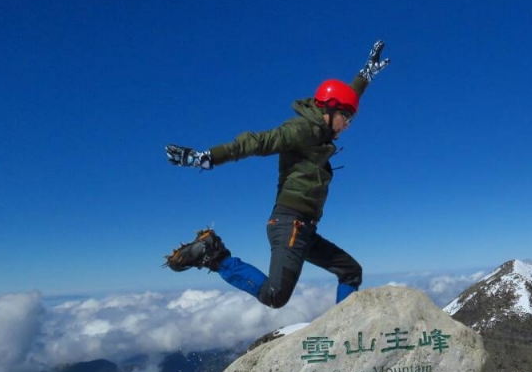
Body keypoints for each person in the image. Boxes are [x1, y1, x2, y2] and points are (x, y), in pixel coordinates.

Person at [164, 41, 390, 308]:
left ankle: (347, 323)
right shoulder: (301, 129)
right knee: (275, 295)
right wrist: (209, 157)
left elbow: (347, 97)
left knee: (351, 271)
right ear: (328, 110)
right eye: (346, 118)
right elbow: (258, 141)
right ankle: (213, 254)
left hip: (305, 228)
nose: (348, 125)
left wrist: (365, 75)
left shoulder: (323, 127)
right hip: (289, 224)